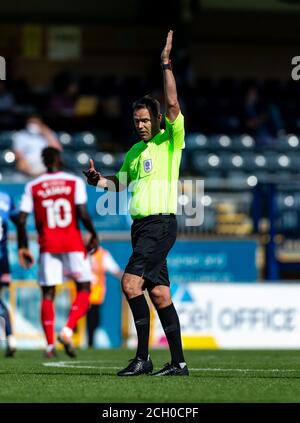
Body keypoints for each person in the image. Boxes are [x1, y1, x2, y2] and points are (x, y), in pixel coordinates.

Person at [83, 31, 188, 376]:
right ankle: (178, 363)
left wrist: (165, 63)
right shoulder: (134, 152)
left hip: (160, 224)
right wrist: (98, 181)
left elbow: (173, 103)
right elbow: (120, 184)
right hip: (142, 227)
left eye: (145, 119)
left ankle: (143, 358)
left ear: (157, 120)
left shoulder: (169, 141)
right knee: (159, 295)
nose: (141, 125)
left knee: (129, 284)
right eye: (137, 121)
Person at [17, 147, 98, 358]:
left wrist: (23, 246)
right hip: (72, 243)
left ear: (44, 162)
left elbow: (22, 220)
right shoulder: (74, 182)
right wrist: (92, 233)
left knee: (48, 294)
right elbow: (82, 212)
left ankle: (50, 346)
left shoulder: (33, 186)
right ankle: (67, 330)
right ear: (59, 159)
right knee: (85, 288)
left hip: (48, 245)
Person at [87, 245, 122, 348]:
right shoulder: (81, 252)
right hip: (80, 292)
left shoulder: (102, 254)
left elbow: (115, 270)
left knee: (93, 318)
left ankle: (90, 343)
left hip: (95, 294)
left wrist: (125, 279)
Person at [0, 191, 17, 357]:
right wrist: (23, 246)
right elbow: (20, 221)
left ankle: (10, 337)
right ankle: (10, 337)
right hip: (3, 260)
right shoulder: (6, 197)